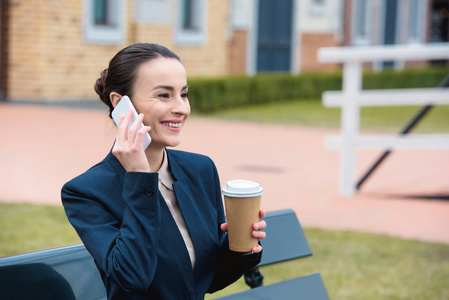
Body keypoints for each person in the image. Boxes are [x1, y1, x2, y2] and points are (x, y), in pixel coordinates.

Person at [61, 43, 266, 300]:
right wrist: (139, 179)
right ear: (120, 104)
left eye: (184, 94)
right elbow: (132, 278)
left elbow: (205, 280)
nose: (182, 108)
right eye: (164, 95)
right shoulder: (86, 192)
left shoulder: (200, 170)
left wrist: (241, 246)